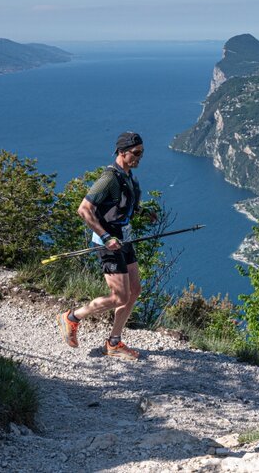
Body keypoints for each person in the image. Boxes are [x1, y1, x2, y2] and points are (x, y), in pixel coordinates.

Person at [56, 131, 156, 359]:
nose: (140, 157)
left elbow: (123, 206)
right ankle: (72, 318)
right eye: (136, 153)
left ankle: (114, 342)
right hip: (108, 243)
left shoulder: (129, 176)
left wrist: (143, 212)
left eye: (142, 152)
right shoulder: (109, 178)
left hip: (124, 239)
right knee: (120, 296)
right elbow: (84, 209)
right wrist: (105, 236)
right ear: (122, 152)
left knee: (135, 290)